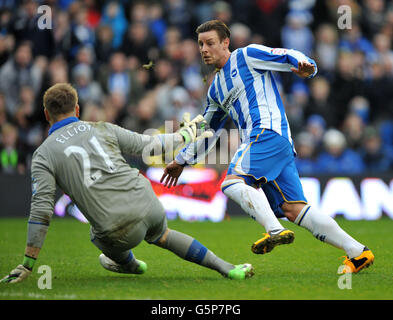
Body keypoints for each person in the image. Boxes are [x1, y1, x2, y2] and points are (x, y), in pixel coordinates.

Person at [161, 20, 374, 274]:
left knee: (231, 182)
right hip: (275, 146)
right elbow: (208, 132)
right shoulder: (216, 89)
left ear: (225, 43)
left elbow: (283, 54)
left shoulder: (247, 56)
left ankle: (274, 230)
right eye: (200, 44)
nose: (204, 49)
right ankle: (358, 252)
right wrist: (182, 160)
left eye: (210, 43)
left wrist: (306, 66)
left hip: (266, 133)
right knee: (293, 208)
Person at [1, 83, 254, 284]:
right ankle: (228, 268)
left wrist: (28, 262)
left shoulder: (44, 154)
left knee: (96, 235)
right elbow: (147, 145)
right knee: (163, 235)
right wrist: (183, 135)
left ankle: (130, 264)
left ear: (46, 114)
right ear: (77, 109)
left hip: (115, 231)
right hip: (148, 204)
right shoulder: (102, 128)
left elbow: (42, 210)